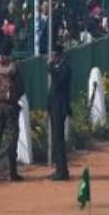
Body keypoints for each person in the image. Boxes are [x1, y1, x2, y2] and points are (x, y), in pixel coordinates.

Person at [0, 40, 25, 181]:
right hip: (10, 106)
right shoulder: (13, 67)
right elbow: (21, 87)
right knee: (12, 138)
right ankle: (13, 172)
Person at [47, 41, 71, 180]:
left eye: (55, 55)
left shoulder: (64, 68)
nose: (53, 58)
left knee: (59, 139)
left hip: (60, 107)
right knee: (55, 139)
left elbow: (58, 84)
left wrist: (51, 68)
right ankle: (59, 168)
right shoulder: (57, 68)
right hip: (53, 106)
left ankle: (62, 170)